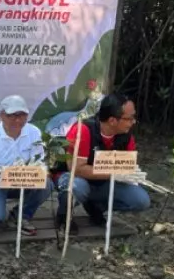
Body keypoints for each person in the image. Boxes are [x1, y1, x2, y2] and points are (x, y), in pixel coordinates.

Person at [56, 94, 150, 228]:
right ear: (112, 120)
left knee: (141, 200)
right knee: (77, 187)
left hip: (103, 183)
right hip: (74, 178)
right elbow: (76, 169)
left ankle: (96, 206)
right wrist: (113, 173)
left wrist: (132, 174)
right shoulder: (83, 130)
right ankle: (64, 213)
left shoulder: (126, 136)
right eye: (129, 118)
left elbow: (128, 165)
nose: (133, 122)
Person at [0, 95, 54, 235]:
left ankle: (20, 215)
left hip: (23, 180)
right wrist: (3, 178)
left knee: (47, 184)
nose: (18, 120)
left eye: (22, 115)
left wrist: (34, 172)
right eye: (13, 115)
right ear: (1, 116)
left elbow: (38, 159)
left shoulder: (34, 132)